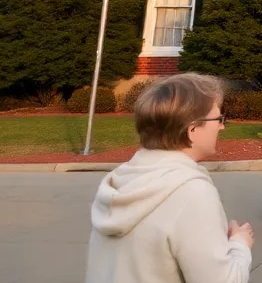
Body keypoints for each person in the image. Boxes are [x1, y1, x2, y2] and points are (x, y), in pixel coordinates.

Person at [86, 73, 252, 283]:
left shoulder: (119, 180)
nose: (222, 127)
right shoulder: (191, 193)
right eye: (219, 119)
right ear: (192, 129)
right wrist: (239, 245)